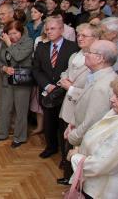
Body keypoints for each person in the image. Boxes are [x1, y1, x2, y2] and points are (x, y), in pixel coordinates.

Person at [56, 23, 100, 185]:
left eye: (84, 36)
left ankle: (74, 180)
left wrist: (71, 88)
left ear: (95, 39)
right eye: (78, 35)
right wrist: (64, 79)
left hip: (80, 109)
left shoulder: (96, 61)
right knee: (65, 139)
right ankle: (68, 174)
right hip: (67, 106)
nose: (80, 38)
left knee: (76, 143)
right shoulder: (75, 55)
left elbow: (91, 93)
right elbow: (66, 72)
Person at [33, 17, 79, 159]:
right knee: (49, 122)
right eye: (47, 29)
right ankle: (51, 147)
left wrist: (60, 85)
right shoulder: (41, 47)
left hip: (65, 92)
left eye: (52, 28)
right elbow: (36, 70)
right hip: (47, 91)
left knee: (64, 123)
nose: (49, 31)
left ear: (62, 30)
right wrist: (47, 85)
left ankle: (65, 153)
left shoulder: (73, 47)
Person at [67, 77, 118, 199]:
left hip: (101, 191)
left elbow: (99, 165)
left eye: (117, 96)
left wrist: (75, 156)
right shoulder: (114, 113)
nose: (111, 99)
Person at [65, 40, 118, 146]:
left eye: (89, 52)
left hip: (87, 144)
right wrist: (72, 124)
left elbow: (92, 122)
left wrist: (73, 137)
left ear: (100, 58)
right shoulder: (96, 76)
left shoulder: (103, 86)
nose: (85, 54)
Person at [0, 20, 33, 147]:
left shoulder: (28, 42)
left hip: (22, 79)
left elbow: (19, 56)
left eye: (15, 33)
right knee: (5, 108)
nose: (13, 36)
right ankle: (2, 134)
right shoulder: (4, 42)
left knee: (21, 110)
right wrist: (4, 68)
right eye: (10, 34)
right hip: (7, 79)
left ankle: (19, 137)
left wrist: (9, 43)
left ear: (21, 32)